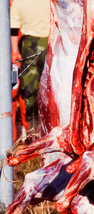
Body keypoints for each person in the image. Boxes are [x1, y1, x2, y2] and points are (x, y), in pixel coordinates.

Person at [10, 0, 50, 131]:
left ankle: (32, 129)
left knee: (29, 90)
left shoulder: (19, 2)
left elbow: (14, 29)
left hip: (29, 46)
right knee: (51, 88)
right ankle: (49, 128)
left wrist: (15, 52)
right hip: (51, 44)